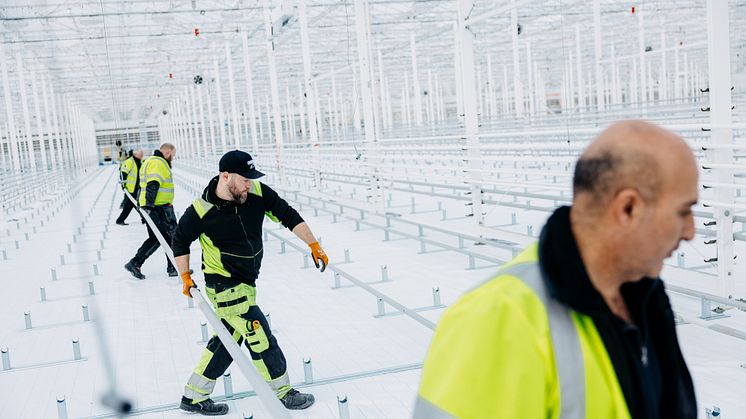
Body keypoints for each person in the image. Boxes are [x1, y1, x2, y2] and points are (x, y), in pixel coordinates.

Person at [414, 120, 698, 419]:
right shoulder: (499, 318)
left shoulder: (644, 299)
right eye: (683, 211)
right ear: (628, 208)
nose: (690, 232)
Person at [172, 150, 328, 415]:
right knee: (258, 333)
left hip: (247, 284)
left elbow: (287, 214)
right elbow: (179, 240)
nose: (249, 184)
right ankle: (283, 392)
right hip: (224, 287)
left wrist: (313, 244)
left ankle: (193, 396)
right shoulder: (202, 210)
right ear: (225, 176)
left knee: (227, 341)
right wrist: (185, 276)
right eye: (244, 179)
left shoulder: (256, 192)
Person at [124, 143, 178, 279]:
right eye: (172, 155)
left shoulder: (152, 161)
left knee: (161, 237)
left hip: (157, 206)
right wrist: (148, 207)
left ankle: (172, 267)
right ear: (167, 152)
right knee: (167, 236)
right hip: (157, 207)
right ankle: (136, 262)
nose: (172, 158)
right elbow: (153, 184)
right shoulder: (158, 163)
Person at [116, 149, 144, 225]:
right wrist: (123, 185)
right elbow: (123, 173)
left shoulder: (139, 162)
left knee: (134, 204)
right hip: (130, 188)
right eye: (141, 154)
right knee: (132, 204)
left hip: (137, 187)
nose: (142, 155)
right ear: (135, 155)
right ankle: (120, 220)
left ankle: (144, 218)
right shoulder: (129, 162)